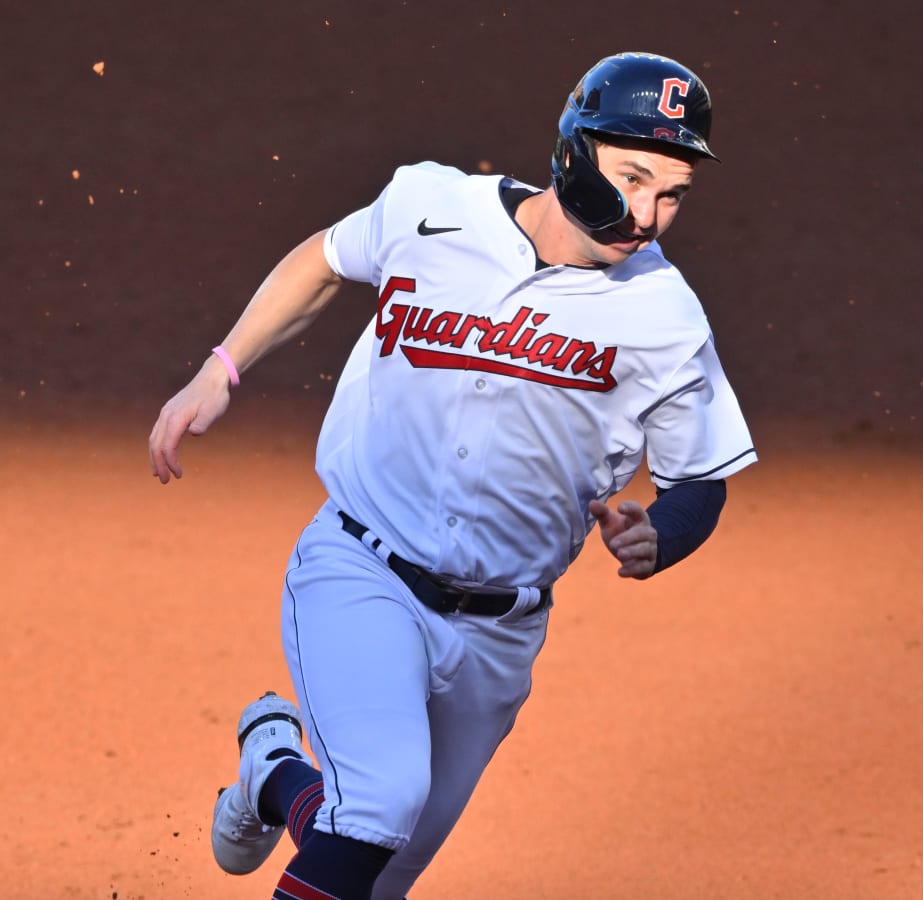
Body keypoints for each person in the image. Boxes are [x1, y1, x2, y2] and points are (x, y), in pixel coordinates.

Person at [148, 50, 757, 900]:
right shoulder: (432, 206)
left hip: (500, 636)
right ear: (573, 151)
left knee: (372, 871)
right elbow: (324, 259)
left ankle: (274, 766)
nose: (649, 214)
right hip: (364, 568)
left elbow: (702, 480)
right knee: (376, 810)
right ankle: (286, 771)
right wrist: (221, 368)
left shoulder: (665, 316)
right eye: (632, 178)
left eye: (673, 193)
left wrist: (666, 533)